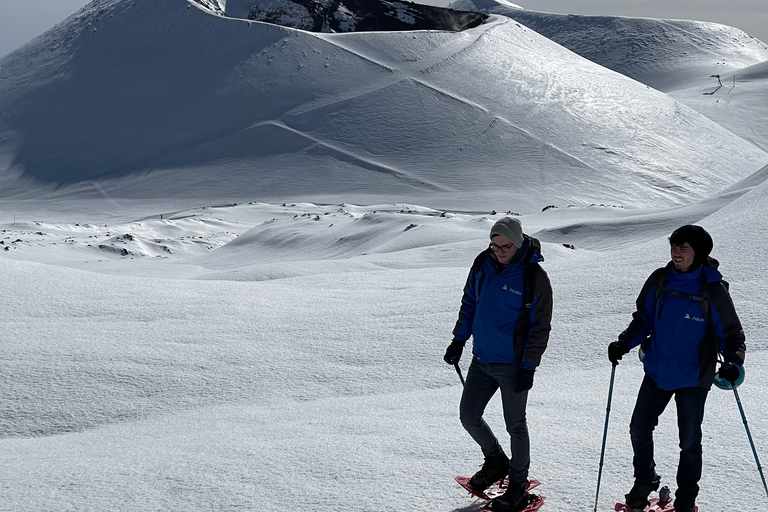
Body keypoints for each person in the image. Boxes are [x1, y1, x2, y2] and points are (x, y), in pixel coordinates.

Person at [608, 225, 746, 512]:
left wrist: (734, 362)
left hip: (694, 378)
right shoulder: (660, 279)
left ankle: (686, 499)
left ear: (699, 252)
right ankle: (645, 480)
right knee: (638, 429)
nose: (676, 252)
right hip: (657, 371)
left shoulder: (713, 290)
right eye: (673, 246)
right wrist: (624, 343)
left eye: (683, 247)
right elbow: (643, 319)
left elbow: (731, 334)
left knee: (690, 442)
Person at [445, 217, 553, 512]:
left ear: (518, 243)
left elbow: (540, 327)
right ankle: (496, 461)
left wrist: (529, 366)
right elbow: (470, 302)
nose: (500, 251)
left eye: (506, 246)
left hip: (513, 365)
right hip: (481, 359)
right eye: (495, 245)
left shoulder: (534, 278)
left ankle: (517, 485)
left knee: (515, 425)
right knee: (469, 416)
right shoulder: (483, 263)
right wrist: (459, 340)